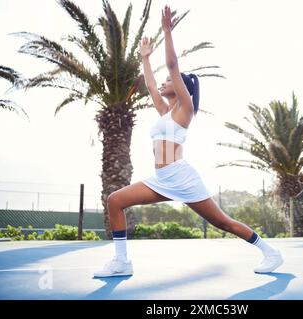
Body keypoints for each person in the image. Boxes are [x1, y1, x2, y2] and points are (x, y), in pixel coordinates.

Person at [94, 5, 283, 278]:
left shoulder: (185, 109)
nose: (163, 82)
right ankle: (122, 263)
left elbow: (172, 66)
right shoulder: (165, 112)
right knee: (115, 200)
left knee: (222, 222)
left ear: (181, 87)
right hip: (161, 178)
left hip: (182, 178)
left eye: (169, 81)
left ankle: (271, 252)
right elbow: (149, 85)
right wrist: (145, 58)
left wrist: (168, 32)